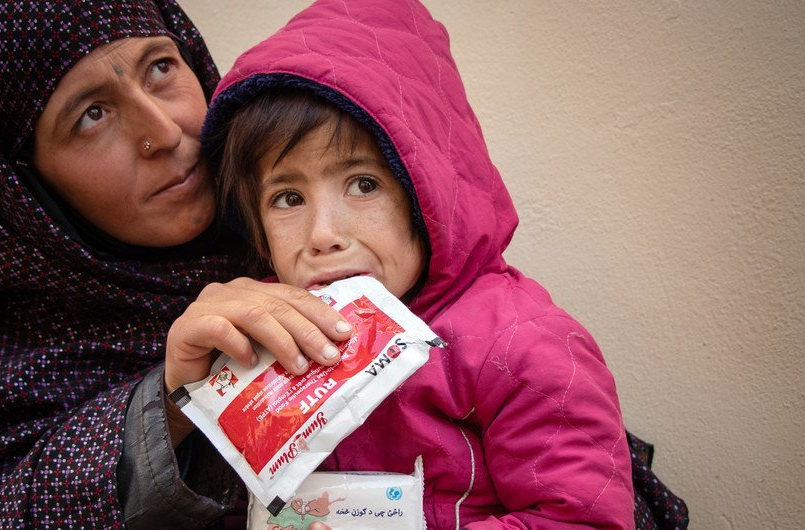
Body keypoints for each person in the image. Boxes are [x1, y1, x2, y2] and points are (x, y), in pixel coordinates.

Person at [0, 1, 350, 528]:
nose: (163, 131)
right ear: (18, 185)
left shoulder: (301, 225)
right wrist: (169, 403)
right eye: (91, 114)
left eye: (161, 68)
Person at [203, 0, 635, 527]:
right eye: (288, 198)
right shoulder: (262, 333)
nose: (322, 236)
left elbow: (582, 519)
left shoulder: (522, 344)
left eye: (363, 185)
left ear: (426, 192)